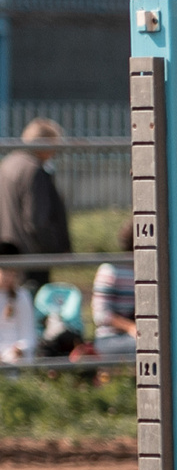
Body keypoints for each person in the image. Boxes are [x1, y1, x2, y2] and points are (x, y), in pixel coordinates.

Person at [0, 119, 73, 289]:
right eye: (54, 146)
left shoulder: (7, 164)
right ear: (44, 144)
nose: (55, 153)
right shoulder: (34, 171)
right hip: (32, 256)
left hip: (7, 254)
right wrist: (55, 248)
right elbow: (37, 221)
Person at [91, 219, 138, 360]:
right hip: (111, 338)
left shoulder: (153, 272)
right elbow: (101, 315)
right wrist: (130, 327)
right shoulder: (110, 271)